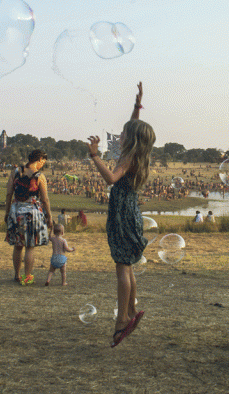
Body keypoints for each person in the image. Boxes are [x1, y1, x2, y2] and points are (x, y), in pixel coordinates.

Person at [87, 82, 154, 347]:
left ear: (131, 138)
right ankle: (129, 311)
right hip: (129, 212)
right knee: (127, 266)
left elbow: (111, 179)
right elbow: (133, 125)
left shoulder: (127, 159)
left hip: (122, 215)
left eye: (124, 132)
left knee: (122, 268)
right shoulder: (136, 153)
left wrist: (94, 156)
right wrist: (137, 106)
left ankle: (122, 321)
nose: (120, 134)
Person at [4, 149, 53, 286]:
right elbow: (45, 199)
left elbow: (9, 194)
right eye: (43, 161)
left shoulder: (16, 172)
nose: (43, 164)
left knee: (18, 245)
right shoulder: (39, 176)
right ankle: (27, 277)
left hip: (16, 211)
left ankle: (16, 275)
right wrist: (49, 216)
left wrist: (7, 212)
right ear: (39, 160)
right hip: (32, 212)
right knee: (30, 246)